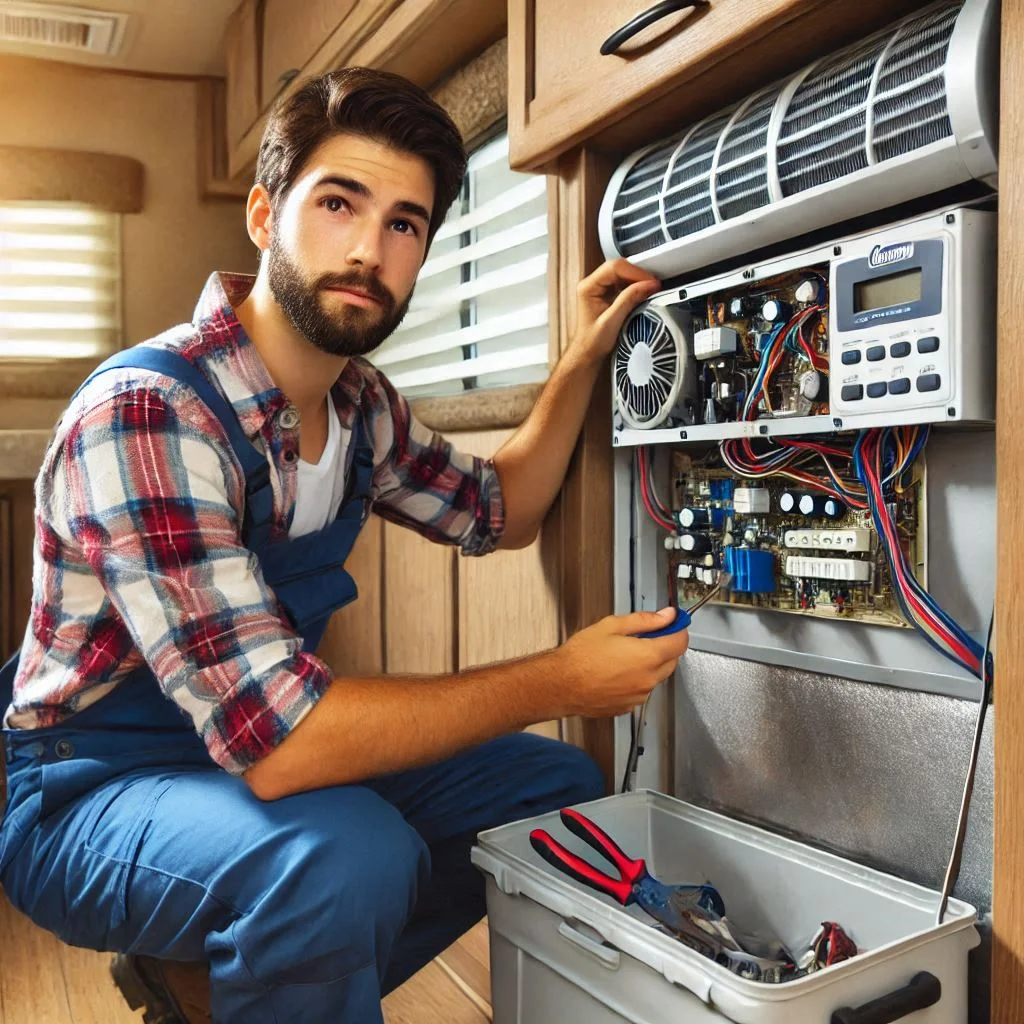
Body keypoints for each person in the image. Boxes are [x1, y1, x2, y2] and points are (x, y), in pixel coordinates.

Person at [0, 67, 689, 1024]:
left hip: (239, 753)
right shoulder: (151, 414)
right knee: (345, 859)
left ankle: (211, 989)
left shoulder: (362, 409)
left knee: (554, 796)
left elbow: (501, 510)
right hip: (89, 789)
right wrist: (560, 680)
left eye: (405, 224)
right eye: (338, 203)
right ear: (262, 215)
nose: (369, 249)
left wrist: (579, 358)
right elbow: (282, 748)